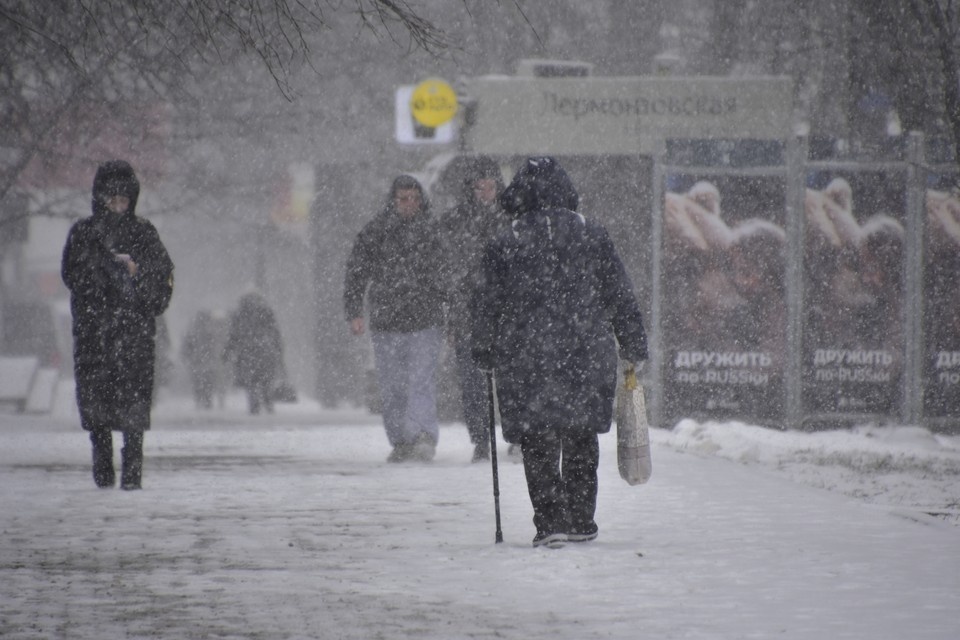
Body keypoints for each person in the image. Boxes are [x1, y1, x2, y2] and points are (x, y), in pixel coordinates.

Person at [470, 157, 648, 548]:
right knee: (581, 433)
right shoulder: (592, 234)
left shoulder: (506, 240)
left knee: (538, 438)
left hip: (526, 354)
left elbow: (485, 300)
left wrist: (482, 345)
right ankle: (581, 518)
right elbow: (619, 293)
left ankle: (549, 520)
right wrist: (632, 341)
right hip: (585, 352)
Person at [61, 160, 175, 490]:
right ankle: (103, 472)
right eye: (111, 200)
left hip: (133, 339)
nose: (117, 206)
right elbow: (74, 276)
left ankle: (132, 474)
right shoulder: (84, 235)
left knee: (133, 411)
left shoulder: (143, 233)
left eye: (123, 200)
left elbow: (162, 282)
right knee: (98, 413)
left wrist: (138, 274)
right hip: (95, 337)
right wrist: (104, 270)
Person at [344, 175, 447, 463]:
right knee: (392, 385)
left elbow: (447, 275)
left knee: (421, 380)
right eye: (404, 199)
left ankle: (423, 434)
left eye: (414, 198)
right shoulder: (376, 232)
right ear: (393, 200)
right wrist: (353, 311)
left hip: (424, 320)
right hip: (388, 322)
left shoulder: (431, 233)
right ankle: (402, 438)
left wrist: (451, 314)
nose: (409, 204)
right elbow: (356, 272)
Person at [437, 156, 507, 462]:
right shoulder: (454, 223)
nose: (485, 192)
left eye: (490, 186)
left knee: (509, 380)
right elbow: (450, 274)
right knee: (472, 382)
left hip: (506, 314)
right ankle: (481, 438)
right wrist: (454, 319)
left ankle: (516, 435)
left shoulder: (511, 220)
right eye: (480, 187)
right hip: (469, 314)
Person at [223, 291, 285, 415]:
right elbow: (275, 332)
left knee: (251, 381)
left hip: (247, 353)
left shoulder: (240, 315)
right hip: (265, 351)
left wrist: (228, 351)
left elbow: (233, 336)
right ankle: (268, 403)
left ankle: (254, 406)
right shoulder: (266, 313)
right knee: (266, 380)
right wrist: (278, 349)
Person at [182, 309, 229, 409]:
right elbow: (218, 344)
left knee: (199, 382)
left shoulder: (193, 331)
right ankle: (207, 400)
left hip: (198, 362)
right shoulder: (211, 331)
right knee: (208, 382)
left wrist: (187, 357)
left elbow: (186, 347)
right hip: (208, 361)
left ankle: (201, 399)